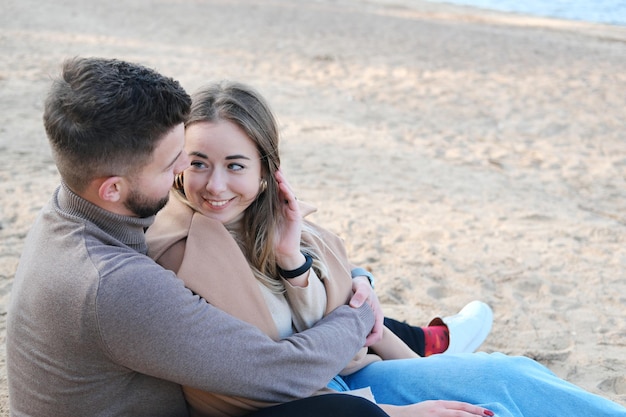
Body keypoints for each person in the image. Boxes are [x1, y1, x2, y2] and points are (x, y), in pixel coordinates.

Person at [147, 80, 626, 417]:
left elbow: (338, 315)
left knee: (509, 373)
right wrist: (393, 411)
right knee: (490, 403)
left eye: (235, 165)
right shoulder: (176, 252)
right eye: (198, 163)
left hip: (354, 375)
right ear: (177, 165)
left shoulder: (270, 223)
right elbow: (241, 385)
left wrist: (293, 260)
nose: (214, 185)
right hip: (317, 405)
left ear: (266, 170)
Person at [5, 56, 428, 417]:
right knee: (346, 412)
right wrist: (360, 310)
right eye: (176, 163)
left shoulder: (70, 206)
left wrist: (356, 275)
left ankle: (424, 340)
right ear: (113, 188)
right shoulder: (114, 283)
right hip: (257, 377)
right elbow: (278, 374)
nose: (182, 177)